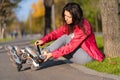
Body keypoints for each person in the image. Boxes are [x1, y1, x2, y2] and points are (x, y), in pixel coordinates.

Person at [35, 2, 104, 64]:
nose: (65, 18)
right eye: (65, 15)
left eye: (68, 17)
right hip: (79, 52)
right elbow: (56, 33)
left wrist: (52, 54)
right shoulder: (71, 24)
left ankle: (42, 53)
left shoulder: (84, 27)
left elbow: (70, 47)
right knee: (61, 42)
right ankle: (43, 53)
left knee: (65, 39)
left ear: (75, 16)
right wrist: (43, 40)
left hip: (87, 57)